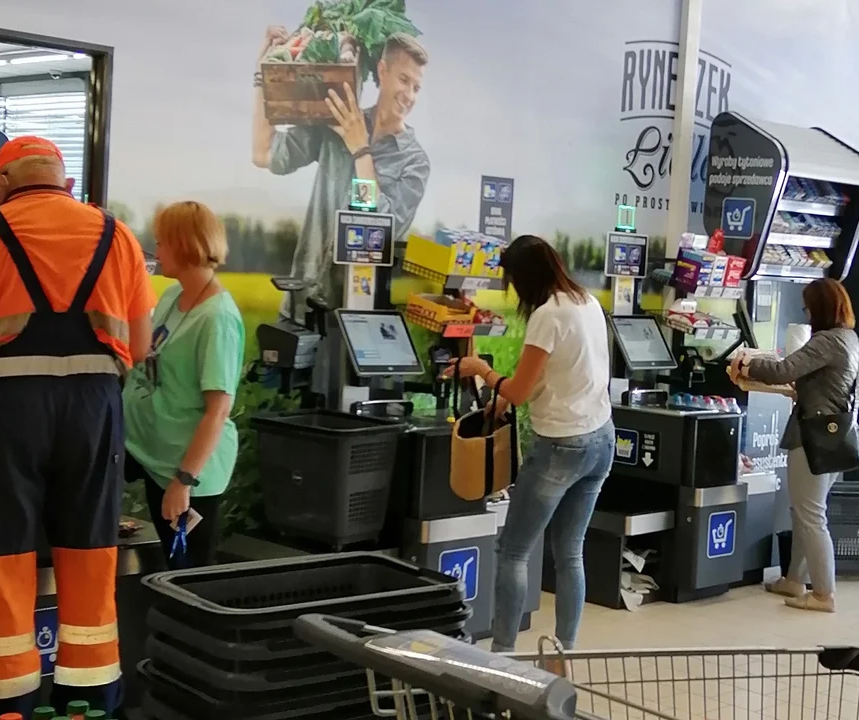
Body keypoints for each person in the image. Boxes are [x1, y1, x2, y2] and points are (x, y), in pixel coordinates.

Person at [0, 136, 155, 717]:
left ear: (1, 186)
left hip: (6, 410)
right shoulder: (116, 236)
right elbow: (141, 344)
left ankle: (11, 704)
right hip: (95, 407)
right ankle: (91, 700)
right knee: (90, 551)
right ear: (67, 184)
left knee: (0, 555)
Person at [443, 235, 614, 652]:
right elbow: (557, 373)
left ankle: (502, 654)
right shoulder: (586, 302)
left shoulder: (548, 314)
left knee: (513, 549)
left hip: (561, 446)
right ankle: (564, 654)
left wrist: (480, 369)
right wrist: (504, 397)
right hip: (601, 439)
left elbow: (520, 390)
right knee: (571, 551)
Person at [252, 29, 431, 311]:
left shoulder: (414, 162)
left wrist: (360, 150)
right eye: (404, 80)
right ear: (382, 71)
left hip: (353, 318)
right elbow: (264, 153)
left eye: (416, 87)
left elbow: (382, 233)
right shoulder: (338, 122)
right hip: (301, 304)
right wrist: (265, 76)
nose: (409, 95)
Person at [730, 278, 859, 613]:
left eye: (808, 306)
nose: (805, 312)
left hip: (814, 437)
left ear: (820, 307)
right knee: (804, 511)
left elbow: (782, 370)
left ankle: (823, 593)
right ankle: (795, 579)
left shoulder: (827, 341)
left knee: (810, 515)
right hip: (837, 437)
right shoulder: (852, 341)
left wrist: (746, 361)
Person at [123, 201, 245, 569]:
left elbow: (218, 410)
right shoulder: (174, 295)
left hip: (183, 470)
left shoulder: (217, 319)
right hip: (148, 451)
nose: (156, 251)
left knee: (186, 578)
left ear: (184, 245)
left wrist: (183, 482)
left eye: (161, 243)